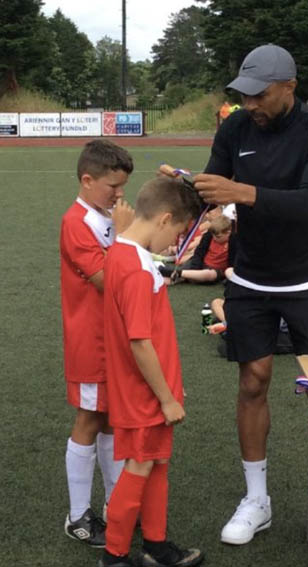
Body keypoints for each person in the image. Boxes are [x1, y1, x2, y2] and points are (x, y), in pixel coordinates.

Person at [191, 44, 308, 555]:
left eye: (259, 94)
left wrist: (241, 194)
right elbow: (215, 189)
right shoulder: (235, 127)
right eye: (243, 94)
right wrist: (213, 209)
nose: (250, 103)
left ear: (289, 87)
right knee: (252, 381)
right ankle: (257, 498)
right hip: (250, 279)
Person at [99, 176, 203, 567]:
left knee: (156, 462)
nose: (176, 242)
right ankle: (115, 555)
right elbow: (140, 343)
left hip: (147, 388)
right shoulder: (137, 270)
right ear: (163, 219)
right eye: (178, 230)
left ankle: (156, 546)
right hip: (143, 393)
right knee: (141, 464)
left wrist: (172, 389)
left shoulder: (123, 253)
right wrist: (164, 396)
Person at [60, 139, 135, 547]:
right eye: (112, 187)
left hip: (116, 338)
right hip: (91, 341)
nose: (119, 195)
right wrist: (125, 238)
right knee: (89, 420)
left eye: (123, 187)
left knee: (109, 420)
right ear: (87, 181)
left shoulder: (104, 214)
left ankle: (114, 505)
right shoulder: (77, 222)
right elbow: (108, 280)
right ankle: (77, 515)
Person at [163, 215, 236, 284]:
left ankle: (179, 273)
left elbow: (233, 262)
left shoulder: (233, 242)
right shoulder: (208, 237)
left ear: (228, 233)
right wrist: (195, 268)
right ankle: (168, 273)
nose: (214, 238)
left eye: (218, 236)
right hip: (200, 264)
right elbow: (199, 253)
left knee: (210, 274)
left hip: (216, 271)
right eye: (213, 236)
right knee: (187, 265)